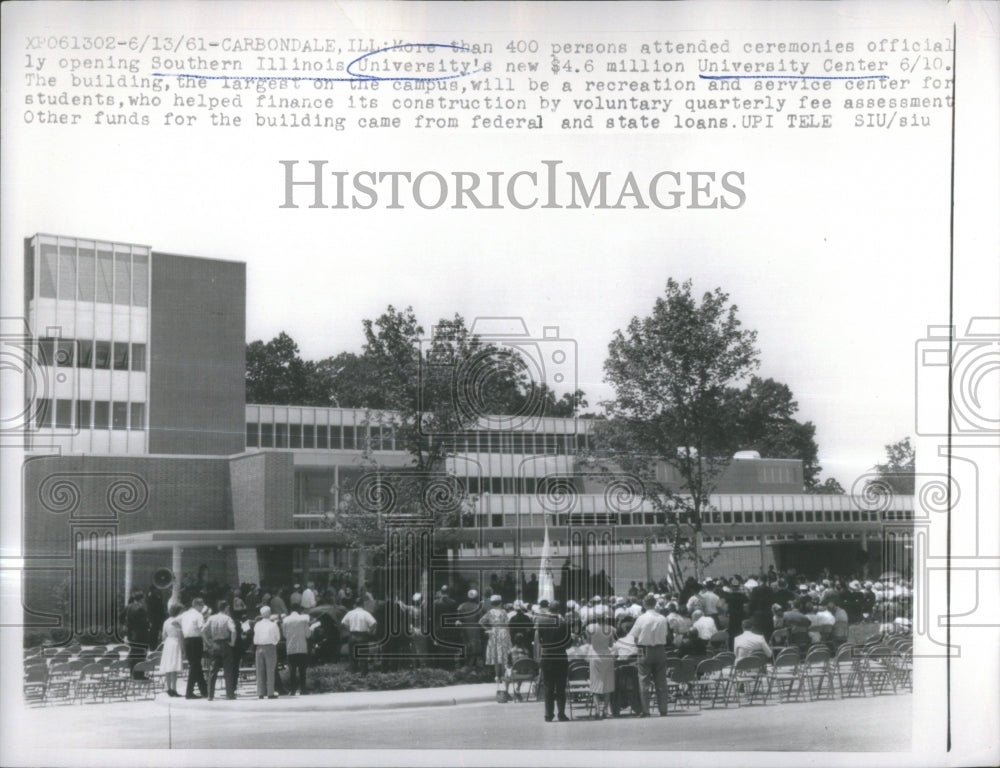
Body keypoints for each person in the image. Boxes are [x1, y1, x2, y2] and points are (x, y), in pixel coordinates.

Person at [627, 594, 669, 717]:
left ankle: (646, 710)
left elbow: (634, 637)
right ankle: (663, 709)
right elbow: (665, 634)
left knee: (644, 680)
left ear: (644, 604)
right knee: (661, 681)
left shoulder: (641, 618)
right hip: (660, 649)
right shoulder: (662, 618)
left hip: (645, 649)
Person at [536, 600, 572, 722]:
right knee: (561, 687)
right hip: (560, 656)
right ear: (559, 610)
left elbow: (539, 640)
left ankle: (548, 714)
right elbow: (568, 642)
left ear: (549, 609)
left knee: (548, 686)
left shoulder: (541, 622)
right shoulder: (563, 623)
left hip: (547, 656)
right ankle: (561, 713)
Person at [202, 600, 237, 700]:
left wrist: (208, 642)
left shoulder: (211, 618)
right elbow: (233, 630)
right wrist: (233, 642)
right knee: (228, 670)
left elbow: (203, 630)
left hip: (215, 643)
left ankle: (210, 695)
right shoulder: (227, 618)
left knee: (213, 671)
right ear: (226, 608)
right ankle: (229, 694)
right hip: (225, 644)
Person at [585, 614, 616, 719]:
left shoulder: (590, 628)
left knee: (595, 683)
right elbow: (611, 644)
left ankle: (597, 710)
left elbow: (588, 641)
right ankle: (606, 710)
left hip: (595, 655)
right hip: (606, 655)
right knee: (607, 684)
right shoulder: (610, 629)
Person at [479, 594, 512, 684]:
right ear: (500, 603)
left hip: (493, 633)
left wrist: (488, 629)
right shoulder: (504, 612)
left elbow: (481, 622)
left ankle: (497, 676)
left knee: (496, 655)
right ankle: (502, 675)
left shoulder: (490, 612)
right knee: (503, 654)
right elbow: (507, 624)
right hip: (503, 632)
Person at [180, 597, 208, 699]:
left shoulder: (184, 614)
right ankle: (189, 691)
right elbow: (202, 629)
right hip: (196, 640)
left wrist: (184, 629)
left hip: (187, 640)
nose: (202, 608)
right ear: (197, 605)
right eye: (201, 606)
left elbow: (175, 622)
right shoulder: (198, 615)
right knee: (194, 666)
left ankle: (204, 690)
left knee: (196, 666)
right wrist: (207, 642)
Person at [341, 597, 377, 673]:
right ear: (363, 604)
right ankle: (363, 673)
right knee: (363, 656)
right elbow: (374, 623)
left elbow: (343, 623)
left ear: (355, 605)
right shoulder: (366, 613)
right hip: (363, 636)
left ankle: (353, 672)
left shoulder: (350, 613)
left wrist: (349, 628)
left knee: (352, 656)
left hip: (352, 635)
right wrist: (370, 632)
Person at [282, 603, 312, 694]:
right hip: (302, 647)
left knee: (292, 671)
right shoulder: (304, 619)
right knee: (302, 670)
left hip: (290, 648)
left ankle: (293, 690)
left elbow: (284, 635)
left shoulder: (285, 620)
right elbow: (308, 634)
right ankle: (303, 689)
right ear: (299, 610)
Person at [253, 606, 281, 699]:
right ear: (269, 614)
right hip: (270, 647)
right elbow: (277, 638)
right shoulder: (273, 625)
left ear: (261, 614)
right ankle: (270, 692)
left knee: (260, 670)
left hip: (259, 647)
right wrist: (274, 643)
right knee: (270, 670)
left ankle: (260, 692)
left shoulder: (257, 625)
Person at [158, 603, 184, 697]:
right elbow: (180, 635)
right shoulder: (178, 621)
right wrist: (182, 647)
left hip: (168, 642)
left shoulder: (166, 621)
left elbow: (163, 636)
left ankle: (168, 688)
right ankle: (174, 689)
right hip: (175, 642)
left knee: (168, 667)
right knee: (174, 668)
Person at [124, 589, 151, 678]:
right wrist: (148, 625)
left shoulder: (128, 607)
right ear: (141, 599)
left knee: (133, 654)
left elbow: (121, 617)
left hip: (131, 634)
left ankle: (132, 673)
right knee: (141, 654)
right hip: (140, 635)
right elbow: (144, 623)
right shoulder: (141, 608)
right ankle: (139, 674)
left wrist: (128, 626)